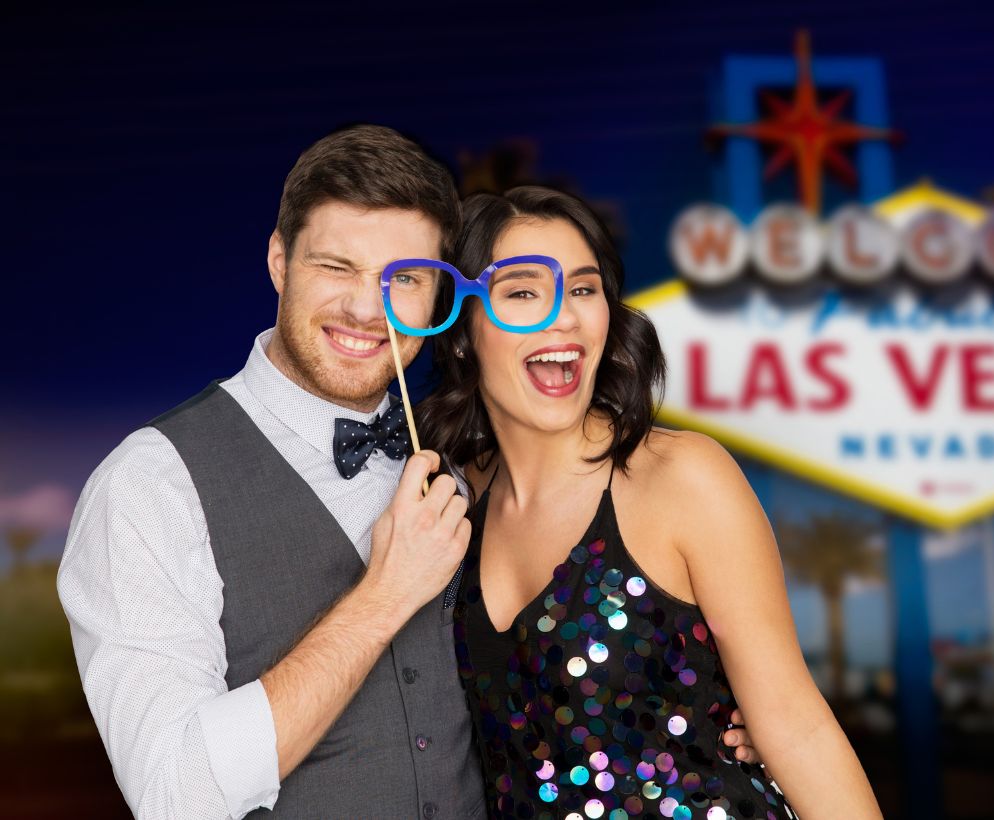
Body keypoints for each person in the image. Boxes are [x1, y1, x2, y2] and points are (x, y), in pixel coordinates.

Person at [57, 124, 482, 819]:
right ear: (280, 262)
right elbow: (174, 793)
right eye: (336, 267)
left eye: (404, 278)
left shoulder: (451, 461)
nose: (366, 308)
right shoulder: (150, 484)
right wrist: (384, 595)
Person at [419, 187, 883, 819]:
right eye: (523, 292)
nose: (563, 316)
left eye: (583, 289)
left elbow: (797, 728)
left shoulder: (681, 477)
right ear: (463, 332)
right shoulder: (451, 500)